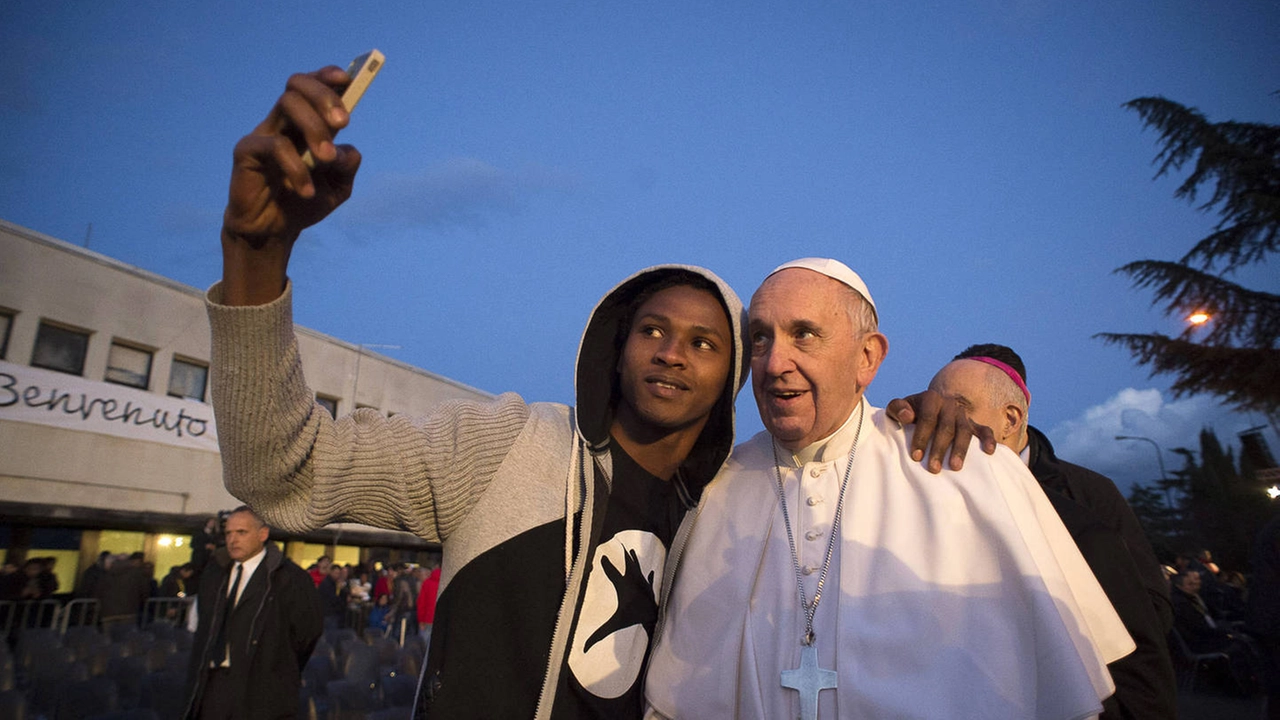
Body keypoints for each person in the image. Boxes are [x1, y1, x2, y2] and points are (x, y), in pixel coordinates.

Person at [206, 64, 750, 720]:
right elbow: (283, 477)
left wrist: (910, 419)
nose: (671, 352)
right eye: (653, 330)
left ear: (732, 376)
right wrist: (254, 255)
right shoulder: (503, 447)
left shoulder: (730, 515)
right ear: (615, 348)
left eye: (704, 342)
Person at [645, 258, 1134, 720]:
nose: (775, 363)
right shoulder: (713, 486)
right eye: (759, 338)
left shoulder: (970, 470)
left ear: (867, 357)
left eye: (804, 334)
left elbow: (1065, 692)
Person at [926, 343, 1176, 719]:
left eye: (958, 408)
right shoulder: (927, 487)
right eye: (934, 408)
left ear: (1010, 419)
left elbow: (1147, 620)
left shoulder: (1089, 496)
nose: (942, 421)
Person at [183, 505, 322, 720]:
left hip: (262, 686)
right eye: (229, 533)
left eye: (241, 532)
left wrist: (278, 666)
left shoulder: (289, 578)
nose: (233, 540)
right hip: (213, 684)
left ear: (262, 534)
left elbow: (307, 634)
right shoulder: (215, 572)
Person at [317, 563, 349, 632]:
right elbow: (333, 598)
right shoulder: (327, 584)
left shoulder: (336, 583)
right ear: (331, 572)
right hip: (329, 613)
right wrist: (339, 590)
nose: (337, 575)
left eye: (338, 573)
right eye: (335, 573)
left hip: (335, 613)